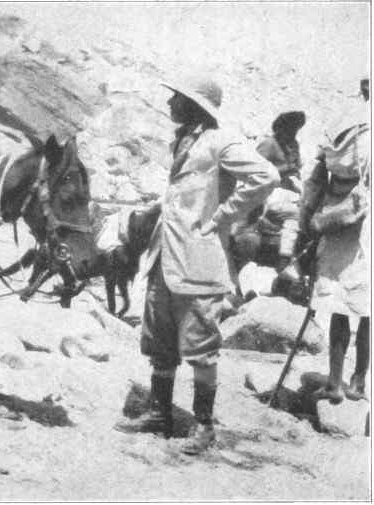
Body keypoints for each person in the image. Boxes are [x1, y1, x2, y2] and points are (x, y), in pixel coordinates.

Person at [116, 75, 279, 455]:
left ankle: (203, 426)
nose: (170, 103)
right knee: (160, 343)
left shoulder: (219, 141)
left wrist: (223, 216)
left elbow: (266, 176)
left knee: (201, 346)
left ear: (194, 104)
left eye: (177, 97)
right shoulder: (182, 142)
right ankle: (159, 414)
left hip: (199, 262)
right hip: (164, 258)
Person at [303, 83, 370, 404]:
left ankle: (334, 382)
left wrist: (310, 218)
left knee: (340, 305)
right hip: (359, 220)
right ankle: (357, 381)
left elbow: (317, 176)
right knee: (366, 307)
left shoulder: (345, 121)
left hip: (341, 217)